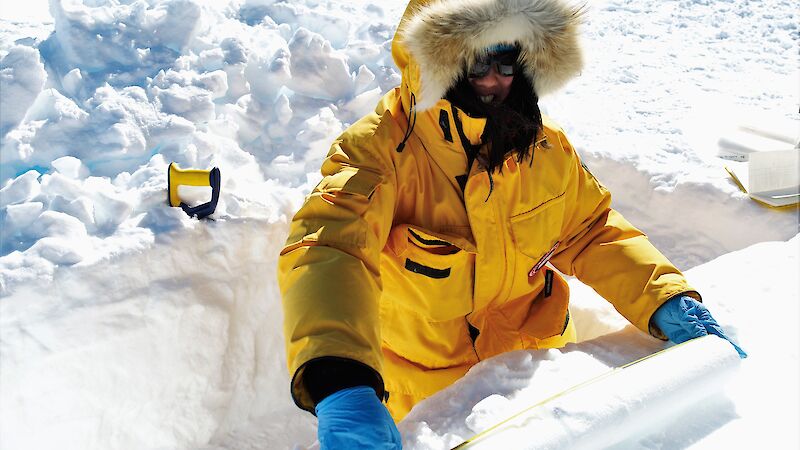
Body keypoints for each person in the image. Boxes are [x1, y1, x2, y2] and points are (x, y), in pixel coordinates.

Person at [277, 0, 746, 448]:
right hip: (435, 408)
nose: (494, 81)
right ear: (441, 60)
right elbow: (331, 250)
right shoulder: (380, 151)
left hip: (545, 383)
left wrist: (663, 296)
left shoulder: (542, 145)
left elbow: (590, 232)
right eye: (477, 64)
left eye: (507, 63)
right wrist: (340, 378)